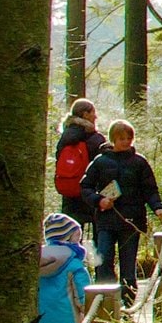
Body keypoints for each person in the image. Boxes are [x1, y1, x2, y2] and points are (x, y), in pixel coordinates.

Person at [78, 120, 162, 302]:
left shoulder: (139, 163)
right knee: (104, 259)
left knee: (128, 263)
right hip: (105, 220)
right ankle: (105, 301)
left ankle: (128, 302)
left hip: (131, 221)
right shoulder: (100, 162)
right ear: (113, 139)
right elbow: (85, 187)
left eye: (129, 138)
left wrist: (157, 206)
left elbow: (150, 189)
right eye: (121, 138)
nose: (126, 142)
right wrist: (99, 200)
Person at [54, 99, 109, 232]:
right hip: (90, 193)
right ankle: (96, 254)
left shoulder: (64, 138)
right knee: (98, 235)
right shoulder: (95, 139)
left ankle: (73, 253)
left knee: (72, 233)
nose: (95, 116)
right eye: (93, 112)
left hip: (70, 191)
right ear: (85, 114)